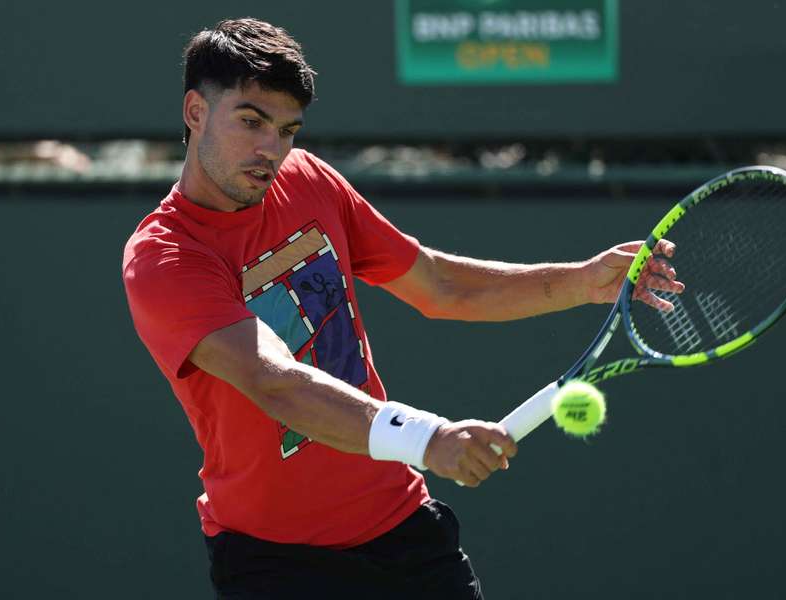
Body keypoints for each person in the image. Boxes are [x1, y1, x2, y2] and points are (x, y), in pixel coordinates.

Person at [121, 18, 682, 599]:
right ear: (195, 112)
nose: (271, 149)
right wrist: (428, 439)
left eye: (287, 130)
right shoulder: (165, 259)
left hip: (402, 532)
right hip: (274, 564)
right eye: (250, 121)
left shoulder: (307, 179)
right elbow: (274, 381)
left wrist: (582, 281)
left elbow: (438, 284)